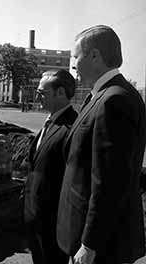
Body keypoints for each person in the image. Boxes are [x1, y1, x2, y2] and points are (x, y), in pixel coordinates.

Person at [57, 25, 146, 264]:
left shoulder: (114, 100)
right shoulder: (101, 95)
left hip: (100, 248)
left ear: (95, 55)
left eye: (76, 56)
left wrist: (90, 244)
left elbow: (109, 181)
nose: (73, 65)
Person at [24, 70, 78, 264]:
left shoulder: (72, 128)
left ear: (61, 93)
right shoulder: (50, 123)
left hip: (53, 226)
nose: (37, 97)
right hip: (35, 219)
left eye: (42, 93)